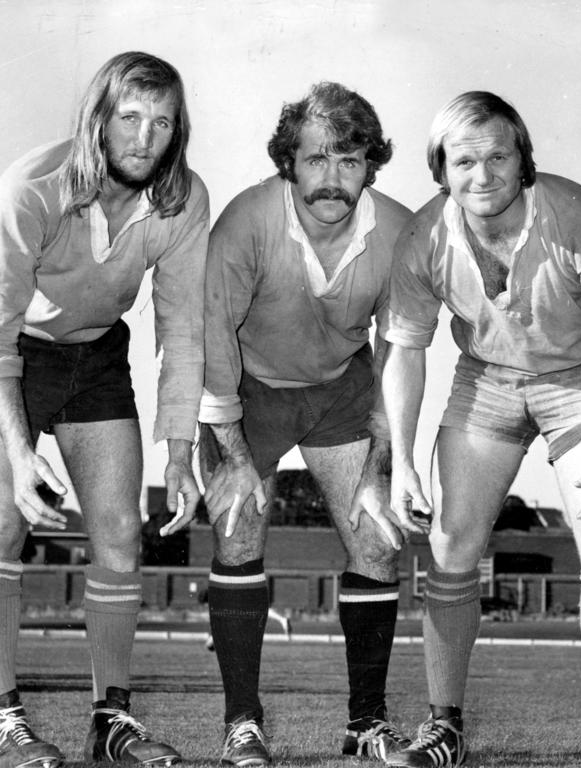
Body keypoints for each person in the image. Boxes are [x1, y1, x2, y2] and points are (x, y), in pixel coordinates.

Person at [382, 91, 581, 768]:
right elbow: (405, 351)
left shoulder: (579, 217)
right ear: (441, 169)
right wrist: (402, 462)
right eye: (465, 161)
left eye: (499, 156)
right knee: (450, 541)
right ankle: (443, 726)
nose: (484, 175)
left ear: (523, 159)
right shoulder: (423, 239)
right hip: (488, 377)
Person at [0, 51, 208, 768]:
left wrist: (180, 450)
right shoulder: (32, 185)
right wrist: (19, 445)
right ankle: (6, 725)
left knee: (122, 533)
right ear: (98, 117)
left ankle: (111, 721)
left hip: (95, 355)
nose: (144, 137)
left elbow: (183, 330)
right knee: (1, 523)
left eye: (162, 121)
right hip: (11, 352)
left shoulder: (181, 199)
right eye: (129, 117)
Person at [197, 81, 413, 766]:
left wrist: (381, 470)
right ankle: (242, 722)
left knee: (377, 541)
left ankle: (367, 724)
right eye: (316, 159)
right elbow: (212, 341)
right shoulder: (246, 222)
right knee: (236, 533)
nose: (331, 178)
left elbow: (396, 355)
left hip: (339, 389)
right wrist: (231, 455)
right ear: (287, 161)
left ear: (371, 166)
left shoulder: (400, 232)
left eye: (349, 161)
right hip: (250, 389)